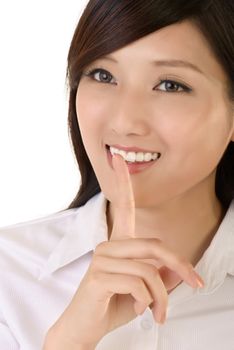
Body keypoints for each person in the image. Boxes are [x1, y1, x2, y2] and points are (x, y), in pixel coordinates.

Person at [0, 0, 234, 349]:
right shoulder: (9, 272)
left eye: (170, 85)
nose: (124, 121)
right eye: (103, 75)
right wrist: (68, 342)